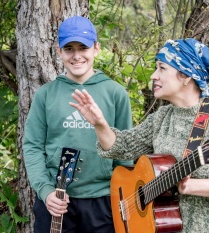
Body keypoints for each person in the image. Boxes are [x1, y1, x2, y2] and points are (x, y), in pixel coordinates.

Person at [70, 38, 209, 233]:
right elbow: (121, 146)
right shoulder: (162, 118)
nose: (153, 75)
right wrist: (99, 123)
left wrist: (191, 186)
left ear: (186, 76)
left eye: (161, 68)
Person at [22, 16, 133, 233]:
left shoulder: (115, 93)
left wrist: (121, 196)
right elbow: (32, 146)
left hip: (103, 201)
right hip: (57, 200)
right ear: (59, 51)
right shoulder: (46, 95)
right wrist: (46, 191)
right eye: (69, 48)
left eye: (83, 47)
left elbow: (125, 153)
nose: (76, 55)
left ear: (96, 49)